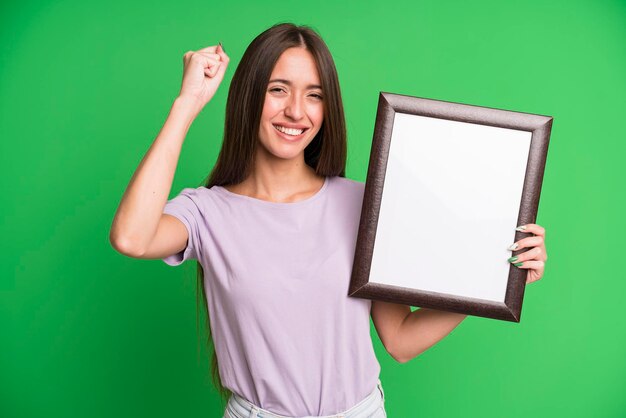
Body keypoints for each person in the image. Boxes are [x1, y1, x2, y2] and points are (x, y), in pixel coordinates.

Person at [109, 22, 549, 418]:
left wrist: (493, 277)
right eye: (278, 89)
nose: (296, 111)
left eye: (314, 94)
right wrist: (187, 104)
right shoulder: (207, 212)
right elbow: (132, 237)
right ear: (249, 95)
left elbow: (400, 338)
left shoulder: (363, 205)